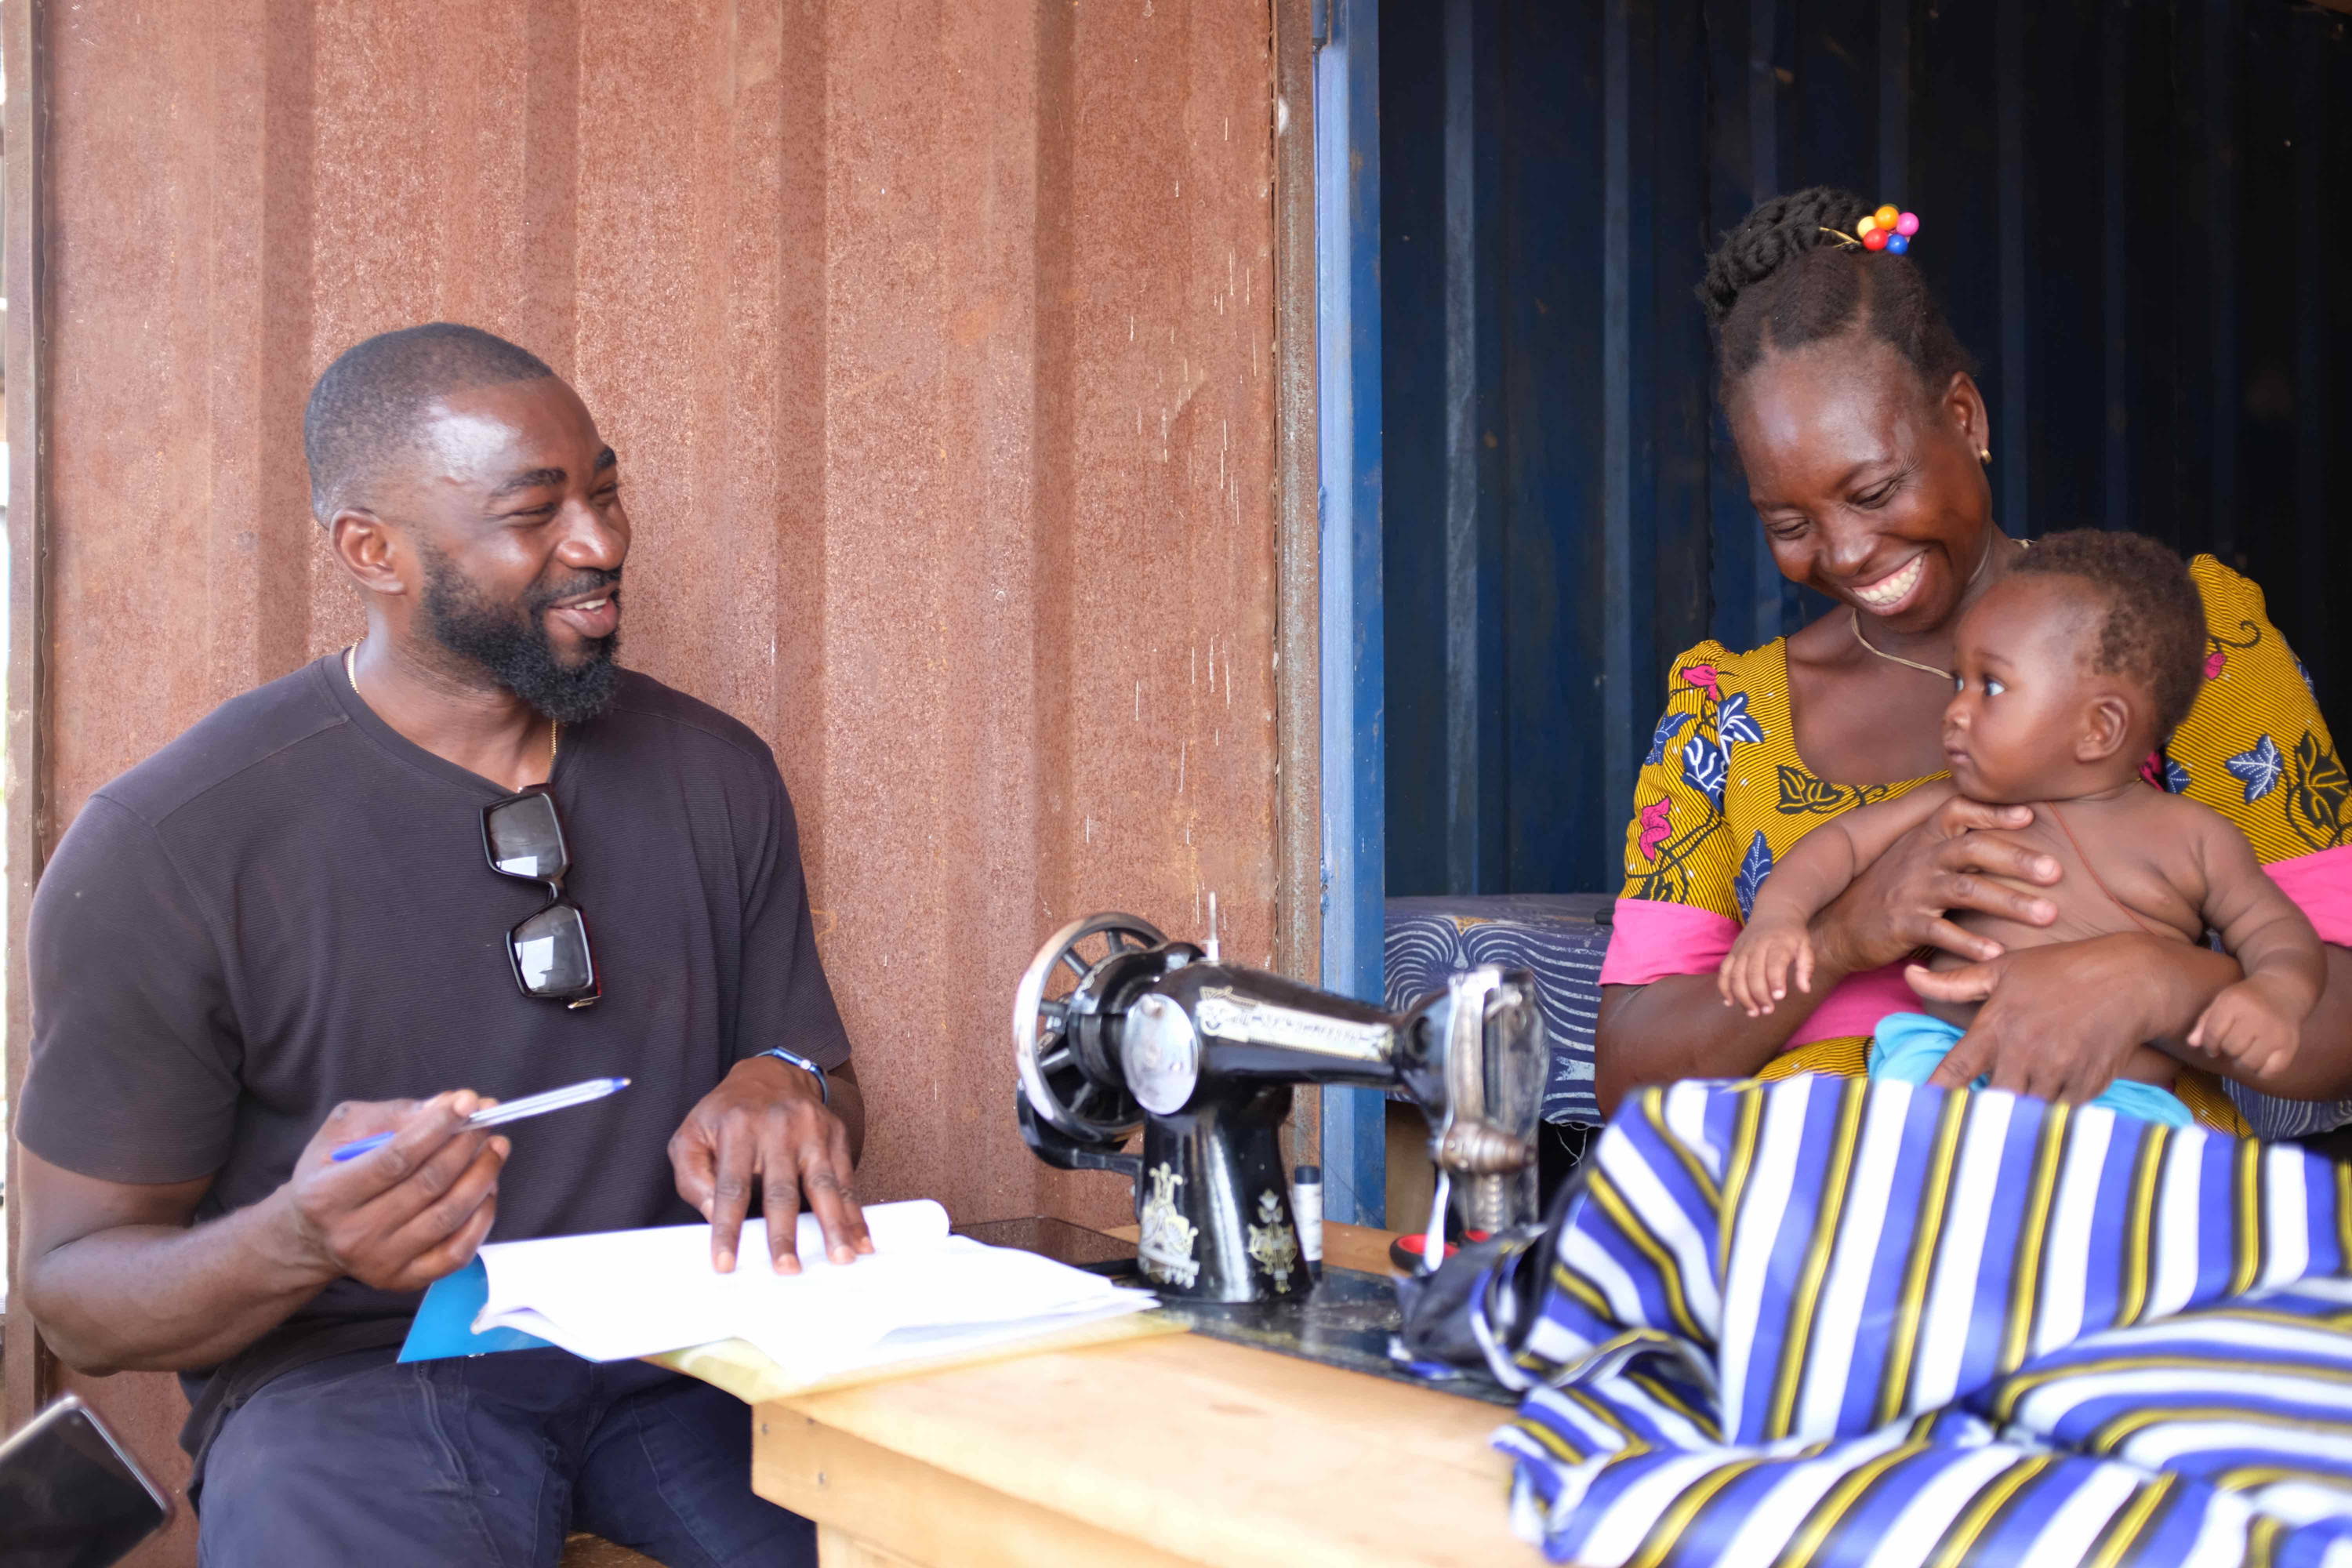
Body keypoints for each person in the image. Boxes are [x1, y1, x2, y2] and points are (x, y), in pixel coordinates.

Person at [13, 324, 866, 1566]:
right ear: (375, 552)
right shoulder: (176, 843)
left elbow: (816, 1083)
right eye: (538, 512)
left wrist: (786, 1086)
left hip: (686, 1360)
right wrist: (298, 1237)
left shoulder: (712, 772)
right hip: (352, 1383)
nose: (602, 544)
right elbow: (75, 1291)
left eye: (606, 490)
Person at [1595, 188, 2352, 1131]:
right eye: (1788, 523)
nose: (1845, 552)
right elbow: (1628, 1070)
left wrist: (2153, 978)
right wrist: (1836, 937)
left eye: (1873, 489)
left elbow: (2335, 1021)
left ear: (1964, 415)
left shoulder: (2176, 645)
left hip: (2108, 1205)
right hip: (1809, 1227)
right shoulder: (1723, 715)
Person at [1719, 530, 2325, 1124]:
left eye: (1992, 686)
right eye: (1960, 681)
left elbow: (2275, 929)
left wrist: (2276, 994)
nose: (1955, 710)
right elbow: (1838, 846)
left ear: (2100, 729)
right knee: (1904, 1176)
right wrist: (1779, 919)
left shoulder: (2194, 837)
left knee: (2134, 1210)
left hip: (2120, 1102)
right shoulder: (1956, 804)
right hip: (1941, 1061)